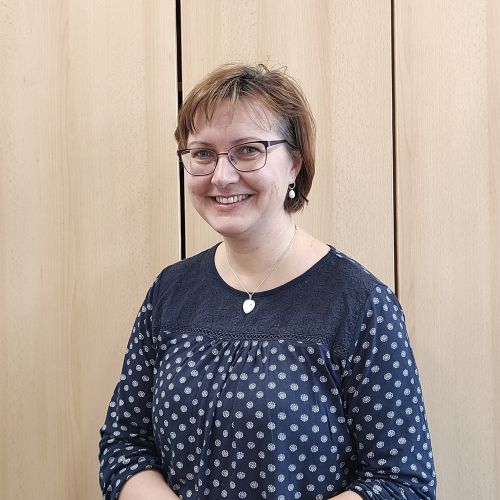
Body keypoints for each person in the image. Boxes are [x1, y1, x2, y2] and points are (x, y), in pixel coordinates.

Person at [99, 63, 436, 500]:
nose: (222, 176)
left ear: (294, 163)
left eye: (248, 150)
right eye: (202, 154)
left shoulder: (359, 304)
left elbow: (401, 483)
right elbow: (124, 446)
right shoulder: (170, 291)